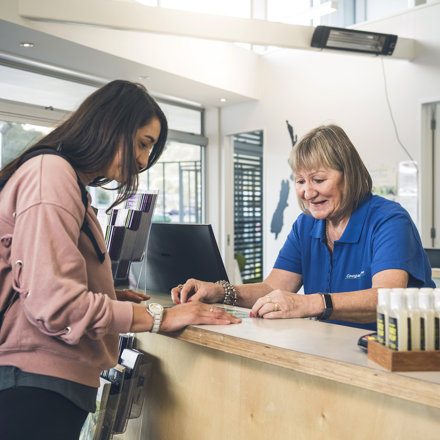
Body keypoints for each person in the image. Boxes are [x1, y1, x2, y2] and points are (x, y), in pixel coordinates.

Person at [0, 80, 240, 440]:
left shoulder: (64, 180)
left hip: (47, 383)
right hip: (35, 385)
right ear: (112, 125)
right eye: (143, 144)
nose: (143, 161)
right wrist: (159, 317)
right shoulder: (50, 175)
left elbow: (46, 281)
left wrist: (104, 293)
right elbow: (55, 303)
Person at [171, 124, 435, 331]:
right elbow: (272, 289)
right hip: (332, 350)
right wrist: (221, 291)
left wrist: (309, 303)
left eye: (318, 179)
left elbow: (386, 298)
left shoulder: (389, 220)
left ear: (349, 175)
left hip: (396, 356)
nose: (308, 193)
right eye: (300, 181)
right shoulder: (306, 224)